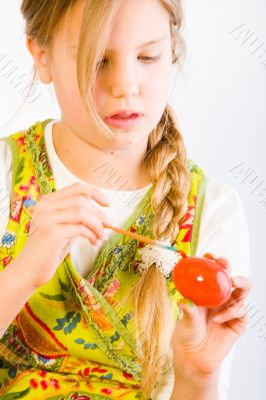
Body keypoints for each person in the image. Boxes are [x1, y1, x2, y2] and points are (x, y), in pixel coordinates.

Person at [0, 0, 251, 399]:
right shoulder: (7, 174)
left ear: (171, 50)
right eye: (98, 60)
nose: (125, 86)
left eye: (148, 56)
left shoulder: (212, 212)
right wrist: (23, 273)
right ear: (41, 57)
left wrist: (197, 376)